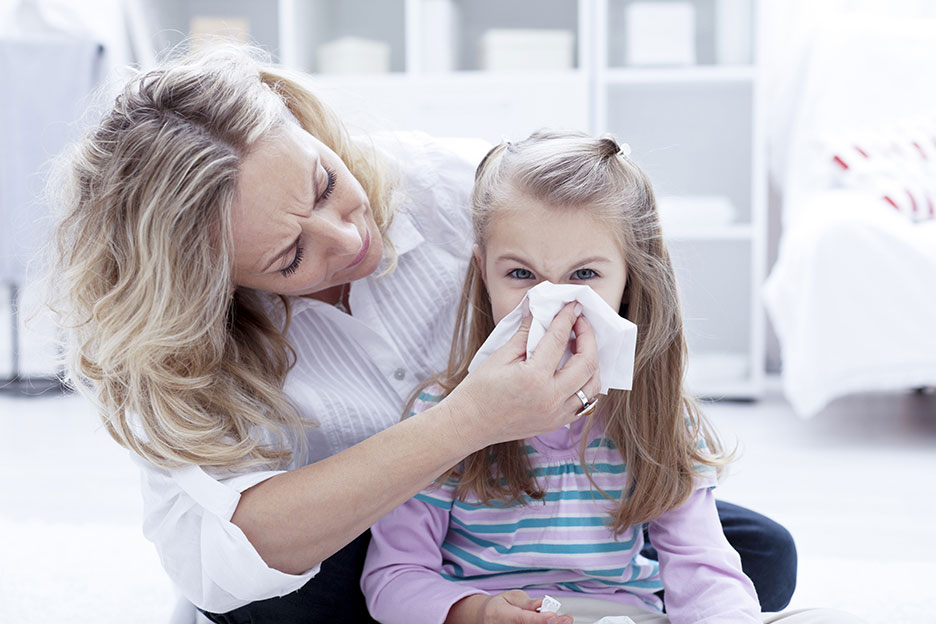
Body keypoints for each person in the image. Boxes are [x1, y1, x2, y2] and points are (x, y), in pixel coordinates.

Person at [47, 45, 793, 623]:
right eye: (289, 258)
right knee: (278, 602)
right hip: (356, 532)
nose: (348, 239)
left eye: (323, 184)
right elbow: (217, 559)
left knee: (761, 557)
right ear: (214, 283)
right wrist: (465, 423)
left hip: (515, 500)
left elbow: (611, 253)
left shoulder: (462, 191)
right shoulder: (177, 345)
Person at [360, 131, 862, 624]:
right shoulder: (440, 414)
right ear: (483, 271)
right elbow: (393, 578)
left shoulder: (656, 416)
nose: (551, 303)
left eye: (584, 275)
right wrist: (478, 611)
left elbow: (703, 569)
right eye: (520, 274)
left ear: (629, 279)